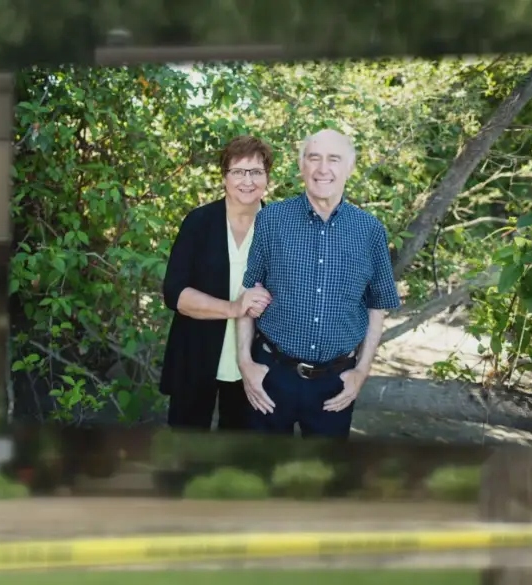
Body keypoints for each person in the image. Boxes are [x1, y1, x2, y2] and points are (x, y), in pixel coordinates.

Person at [235, 128, 401, 438]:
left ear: (350, 167)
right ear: (302, 166)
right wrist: (245, 363)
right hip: (272, 377)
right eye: (314, 158)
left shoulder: (371, 231)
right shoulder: (271, 220)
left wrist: (361, 371)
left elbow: (378, 306)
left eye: (334, 159)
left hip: (335, 385)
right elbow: (249, 291)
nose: (323, 168)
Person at [159, 135, 275, 430]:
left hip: (255, 363)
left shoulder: (278, 227)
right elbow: (175, 293)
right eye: (238, 171)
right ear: (224, 177)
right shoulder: (199, 222)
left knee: (237, 451)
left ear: (267, 177)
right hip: (195, 355)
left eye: (256, 172)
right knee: (186, 445)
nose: (247, 181)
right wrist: (234, 308)